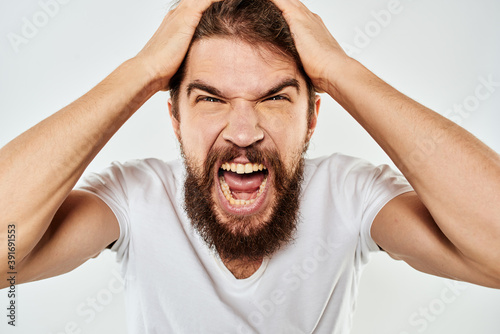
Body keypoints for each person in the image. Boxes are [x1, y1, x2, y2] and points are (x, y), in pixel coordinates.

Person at [1, 0, 499, 333]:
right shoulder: (136, 197)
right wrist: (143, 70)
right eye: (211, 99)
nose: (243, 133)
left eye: (276, 98)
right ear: (174, 117)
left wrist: (340, 70)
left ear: (312, 118)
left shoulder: (349, 194)